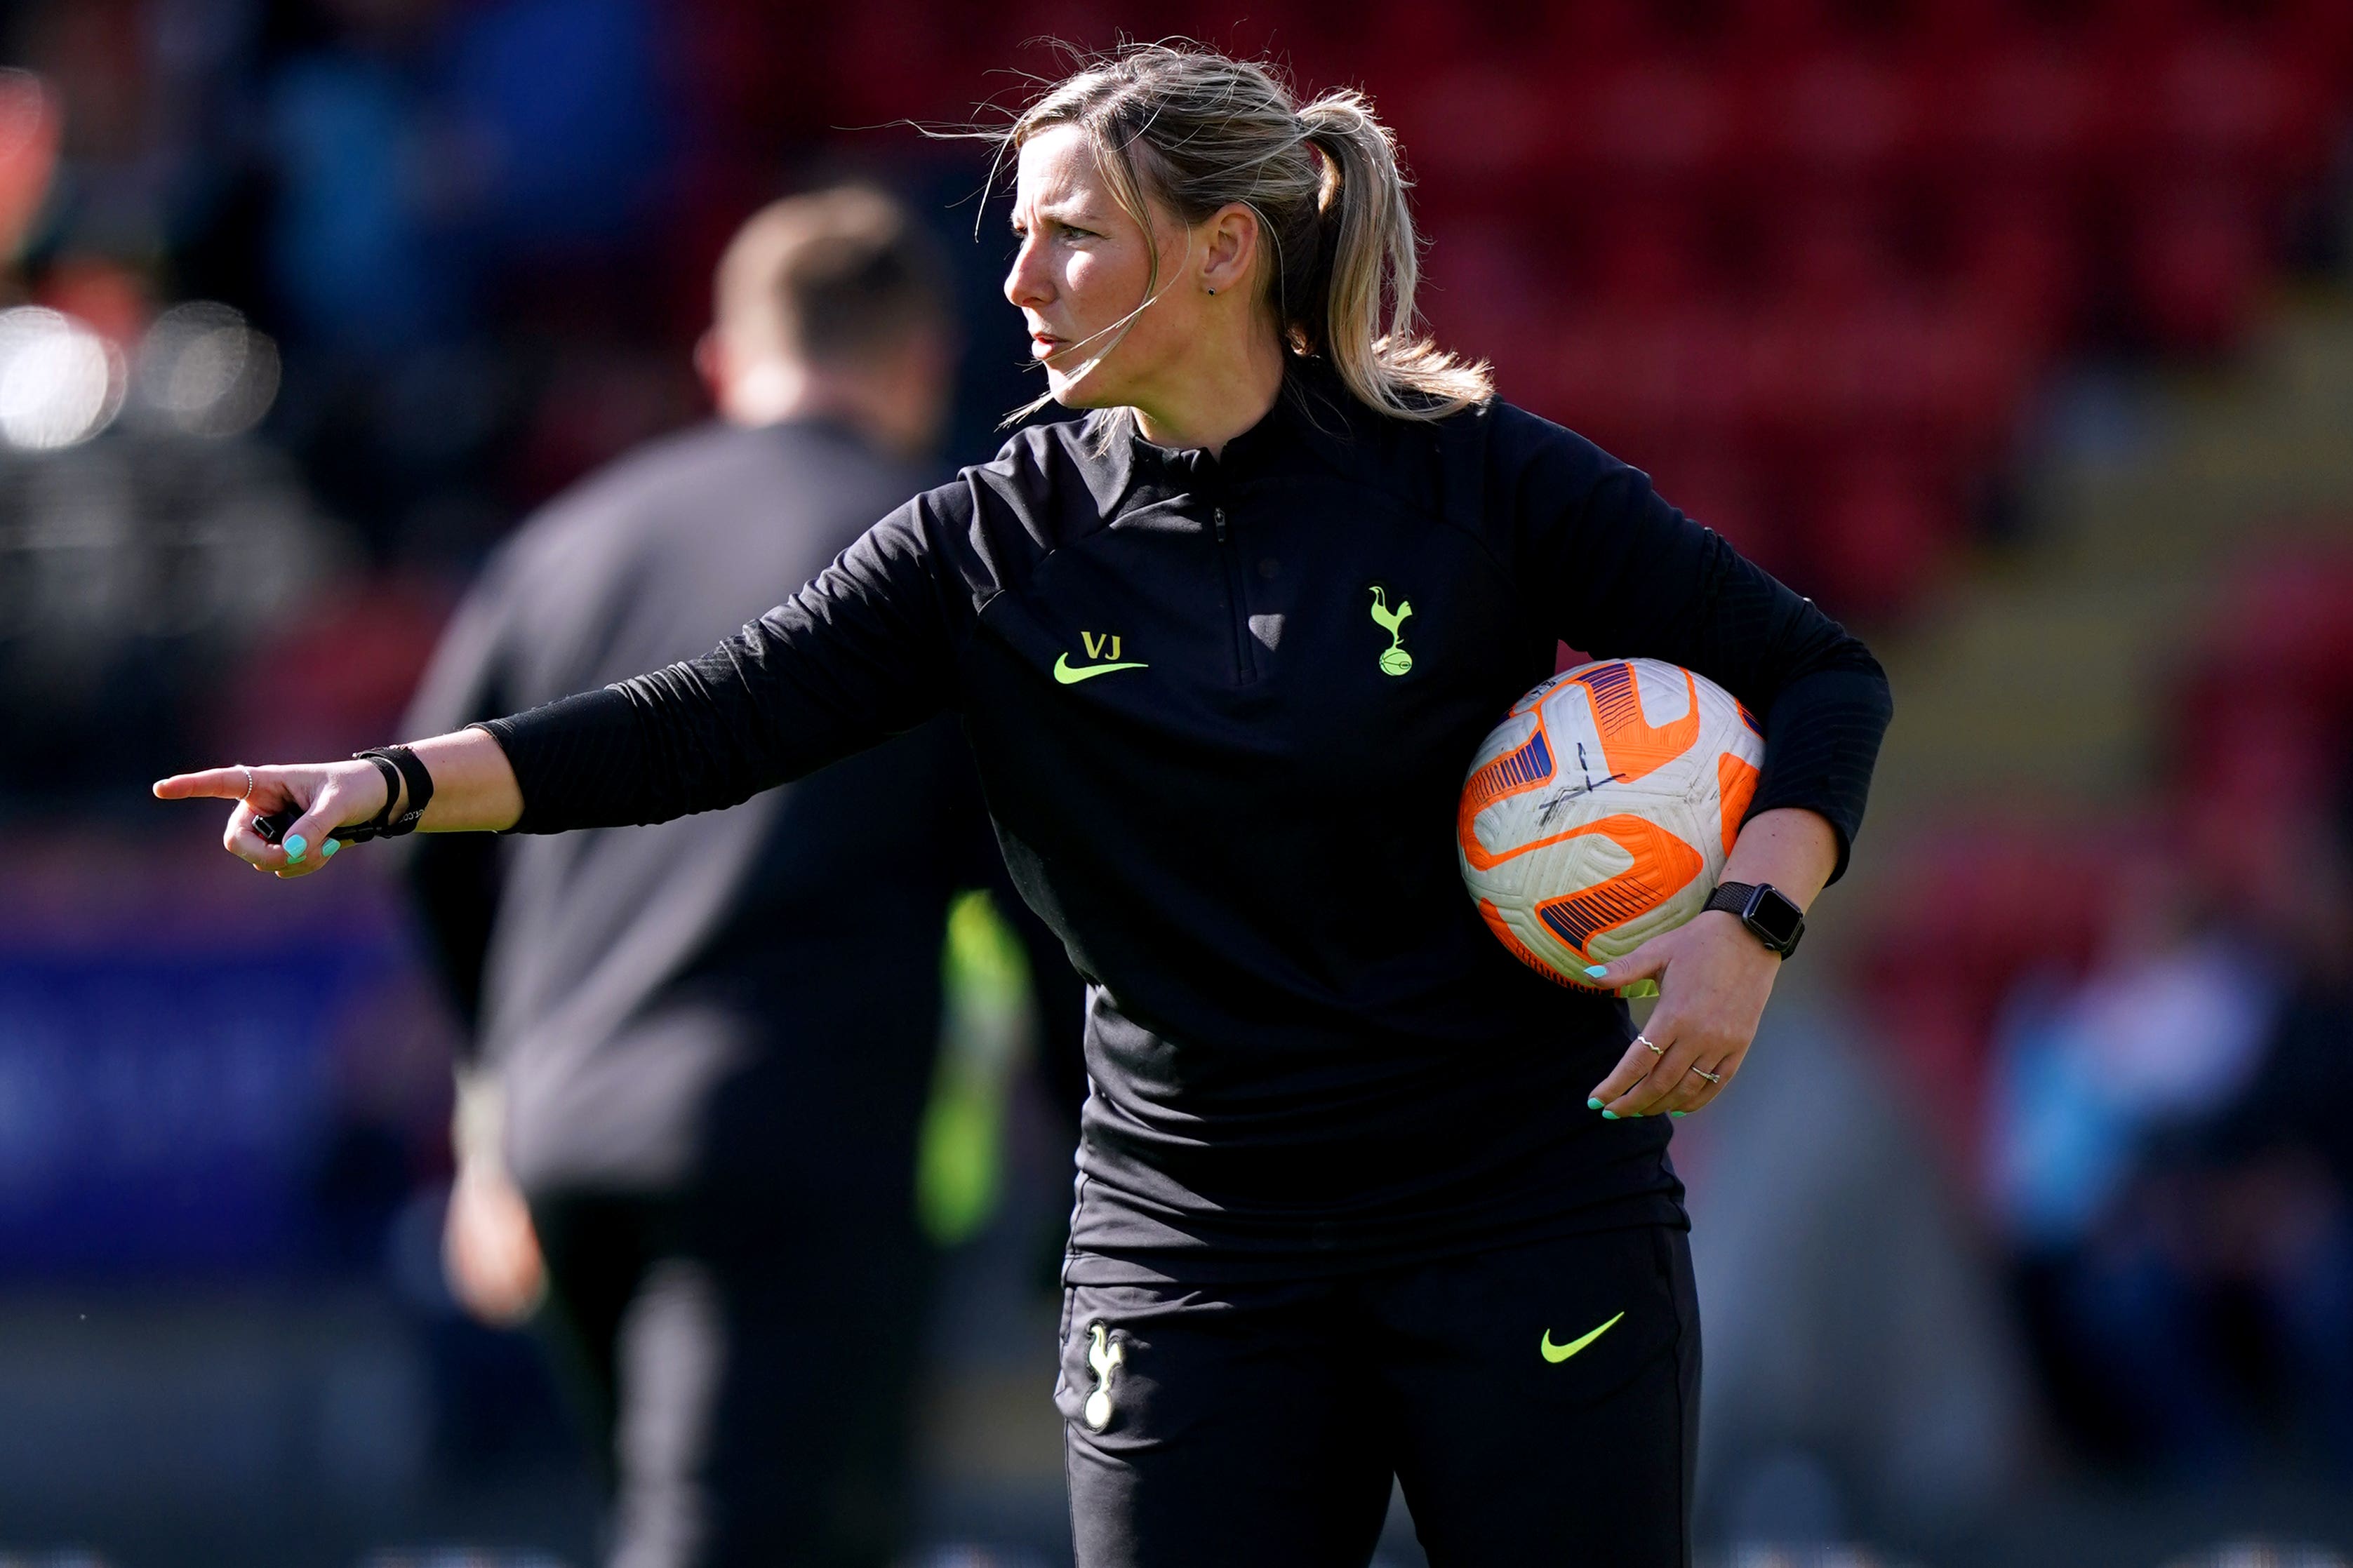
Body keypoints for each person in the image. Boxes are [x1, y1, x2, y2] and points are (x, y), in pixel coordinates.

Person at [158, 44, 1893, 1568]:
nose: (1015, 278)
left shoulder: (1478, 478)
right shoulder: (990, 537)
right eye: (1017, 230)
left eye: (1070, 231)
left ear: (1222, 253)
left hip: (1521, 1213)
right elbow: (706, 722)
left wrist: (1745, 927)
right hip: (1189, 1248)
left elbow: (1822, 676)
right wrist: (385, 785)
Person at [392, 186, 1013, 1568]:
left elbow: (434, 830)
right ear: (924, 361)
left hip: (565, 1141)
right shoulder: (941, 556)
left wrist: (492, 1114)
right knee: (753, 1534)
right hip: (790, 1141)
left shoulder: (559, 549)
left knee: (708, 1514)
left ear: (725, 364)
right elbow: (1038, 864)